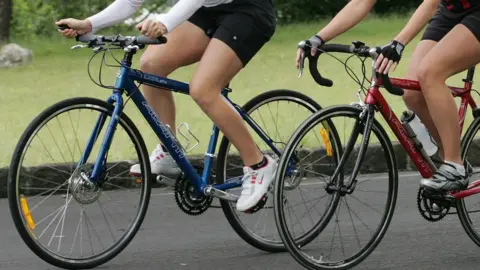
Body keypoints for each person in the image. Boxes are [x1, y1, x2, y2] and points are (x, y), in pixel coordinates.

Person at [56, 0, 277, 212]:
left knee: (203, 90)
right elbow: (131, 2)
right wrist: (89, 24)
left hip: (248, 10)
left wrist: (164, 23)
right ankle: (169, 149)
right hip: (206, 11)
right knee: (150, 65)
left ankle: (258, 163)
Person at [297, 0, 480, 192]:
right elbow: (361, 2)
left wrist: (398, 44)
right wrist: (318, 38)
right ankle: (451, 161)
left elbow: (431, 3)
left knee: (430, 72)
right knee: (412, 94)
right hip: (451, 11)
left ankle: (454, 165)